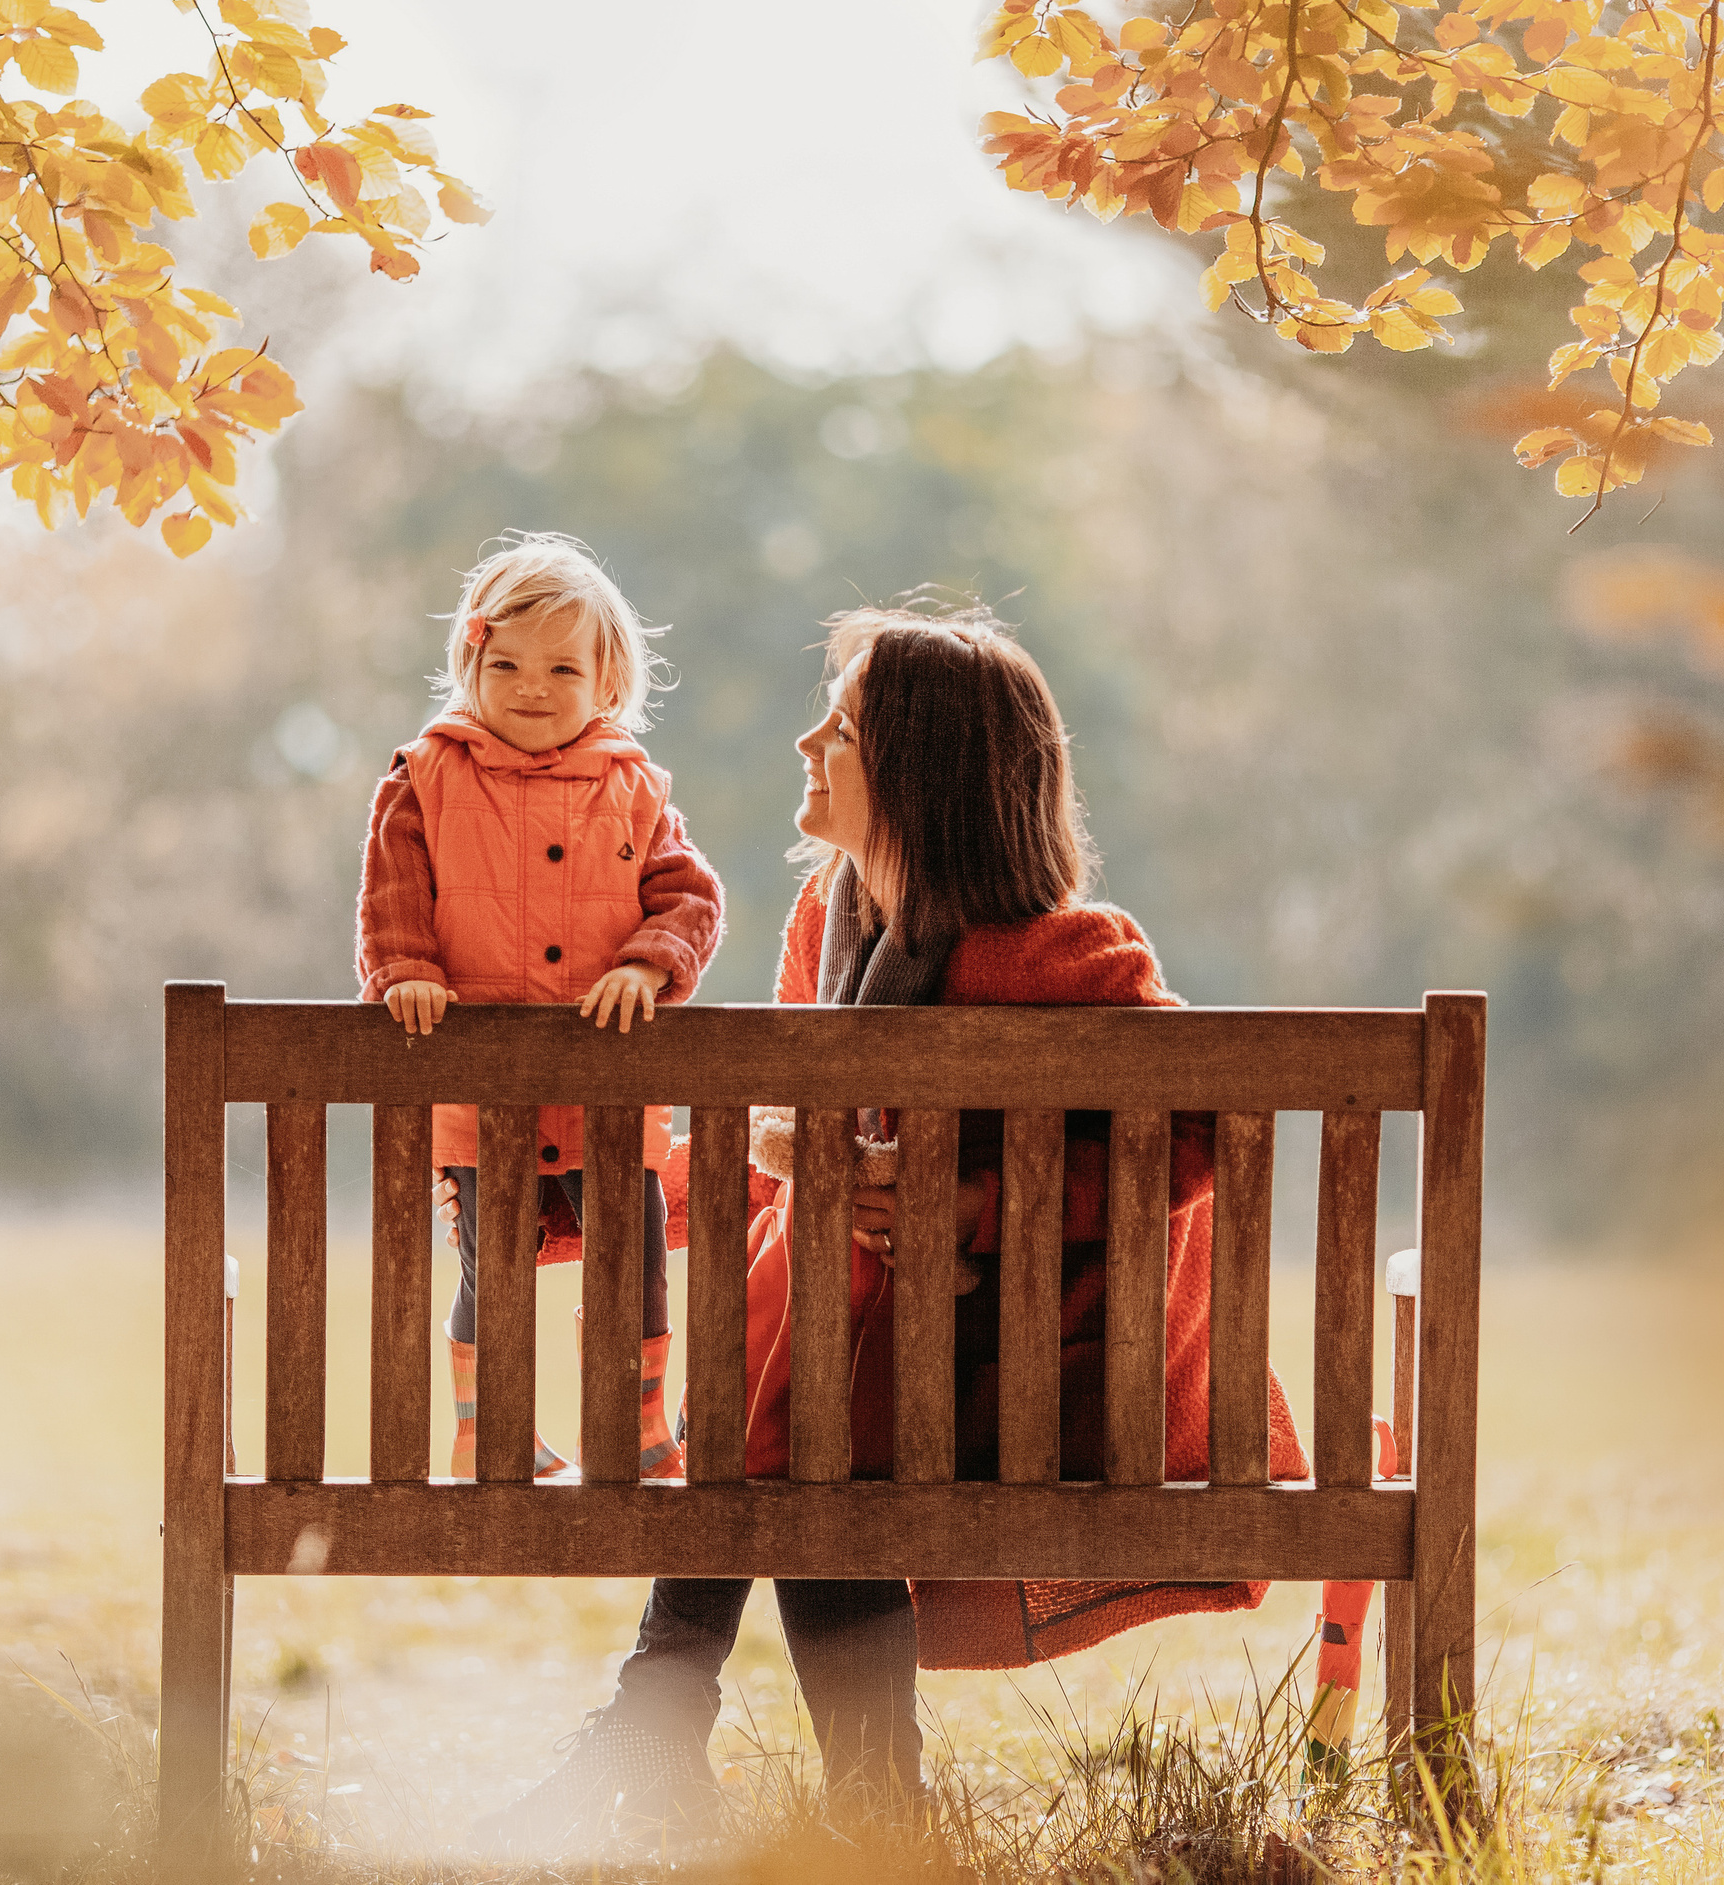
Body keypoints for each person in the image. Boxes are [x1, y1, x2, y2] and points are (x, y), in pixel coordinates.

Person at [473, 601, 1315, 1851]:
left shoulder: (1062, 952)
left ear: (920, 772)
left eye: (845, 725)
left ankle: (674, 1726)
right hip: (860, 1367)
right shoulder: (832, 920)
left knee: (797, 1395)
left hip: (1003, 1382)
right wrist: (712, 1167)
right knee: (802, 1380)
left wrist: (977, 1205)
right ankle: (861, 1792)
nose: (809, 738)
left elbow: (1198, 1133)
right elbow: (788, 1142)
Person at [356, 531, 725, 1481]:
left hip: (606, 1086)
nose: (531, 684)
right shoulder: (425, 777)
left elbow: (689, 898)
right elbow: (392, 889)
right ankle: (495, 1431)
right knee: (497, 1267)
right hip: (485, 1090)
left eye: (563, 667)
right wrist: (406, 970)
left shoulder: (635, 790)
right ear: (470, 662)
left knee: (632, 1260)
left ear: (608, 684)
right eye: (507, 662)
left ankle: (635, 1428)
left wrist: (649, 966)